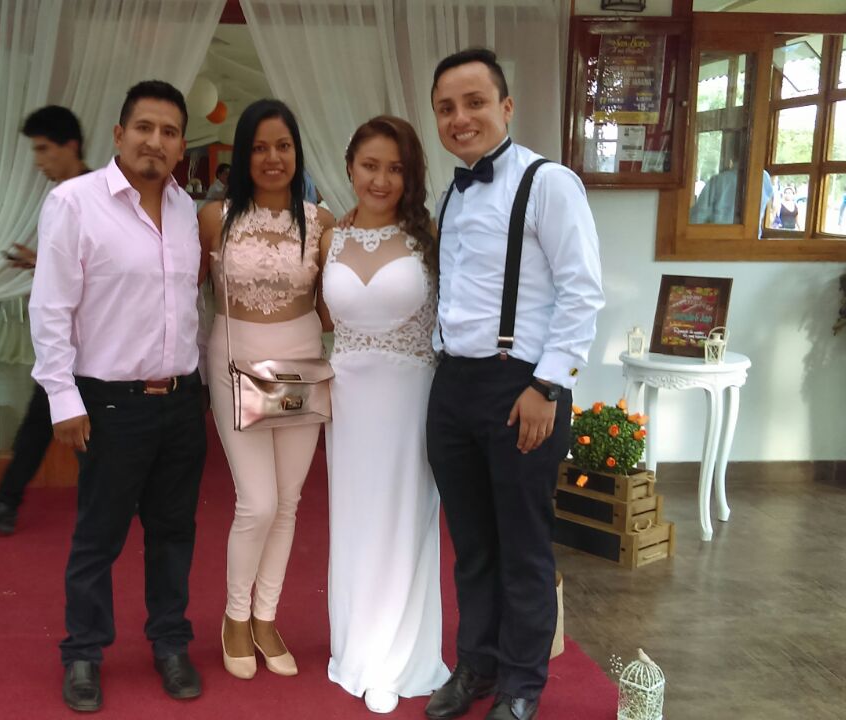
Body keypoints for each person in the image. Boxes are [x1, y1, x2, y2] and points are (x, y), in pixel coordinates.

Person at [423, 49, 603, 720]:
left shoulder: (548, 183)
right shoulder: (452, 192)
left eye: (474, 102)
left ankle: (523, 683)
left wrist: (547, 386)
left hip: (522, 386)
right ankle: (478, 664)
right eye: (446, 108)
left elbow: (582, 291)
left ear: (506, 106)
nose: (460, 118)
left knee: (523, 544)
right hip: (454, 386)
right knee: (472, 544)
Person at [30, 81, 207, 712]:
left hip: (181, 402)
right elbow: (50, 307)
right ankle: (83, 652)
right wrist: (62, 398)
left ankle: (170, 643)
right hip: (110, 404)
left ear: (181, 145)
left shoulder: (187, 211)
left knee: (173, 532)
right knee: (98, 537)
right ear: (119, 134)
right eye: (144, 128)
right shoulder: (74, 203)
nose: (155, 141)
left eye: (169, 132)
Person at [197, 98, 333, 681]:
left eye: (283, 146)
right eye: (259, 147)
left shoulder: (321, 222)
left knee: (289, 500)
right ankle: (234, 616)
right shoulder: (214, 218)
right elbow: (184, 289)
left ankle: (266, 616)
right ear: (243, 153)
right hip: (236, 364)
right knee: (257, 501)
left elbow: (333, 306)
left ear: (297, 151)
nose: (272, 157)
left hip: (300, 366)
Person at [320, 116, 450, 714]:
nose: (381, 179)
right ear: (349, 166)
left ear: (411, 174)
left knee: (405, 517)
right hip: (347, 400)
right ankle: (357, 646)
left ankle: (398, 657)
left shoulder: (429, 236)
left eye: (395, 168)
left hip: (410, 397)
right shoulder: (328, 236)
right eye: (370, 165)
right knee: (355, 520)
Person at [0, 105, 89, 534]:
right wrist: (41, 263)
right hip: (68, 340)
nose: (38, 160)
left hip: (91, 340)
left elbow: (102, 270)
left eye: (44, 149)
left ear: (71, 146)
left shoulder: (91, 198)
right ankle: (7, 501)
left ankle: (114, 502)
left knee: (78, 428)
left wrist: (47, 267)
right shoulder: (67, 196)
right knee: (41, 422)